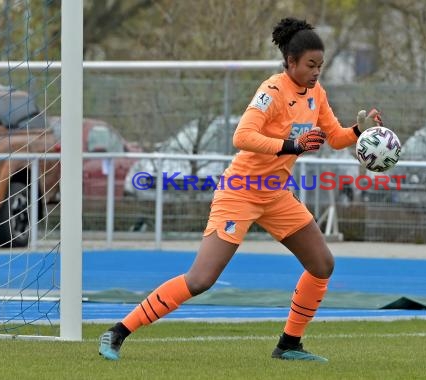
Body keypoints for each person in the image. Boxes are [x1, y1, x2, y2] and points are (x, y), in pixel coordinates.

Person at [98, 16, 382, 363]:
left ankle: (289, 344)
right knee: (201, 279)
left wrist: (358, 131)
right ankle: (118, 331)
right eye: (310, 65)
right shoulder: (272, 91)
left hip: (276, 194)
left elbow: (335, 137)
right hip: (241, 191)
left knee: (322, 264)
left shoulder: (316, 94)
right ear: (290, 62)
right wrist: (290, 145)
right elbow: (242, 137)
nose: (316, 72)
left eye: (320, 65)